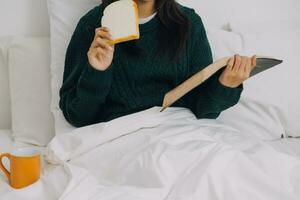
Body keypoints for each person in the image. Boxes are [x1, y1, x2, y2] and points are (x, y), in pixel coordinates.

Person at [59, 0, 256, 127]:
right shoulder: (93, 26)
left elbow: (204, 110)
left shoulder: (189, 23)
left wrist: (226, 85)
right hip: (120, 137)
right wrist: (97, 71)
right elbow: (77, 116)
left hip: (180, 133)